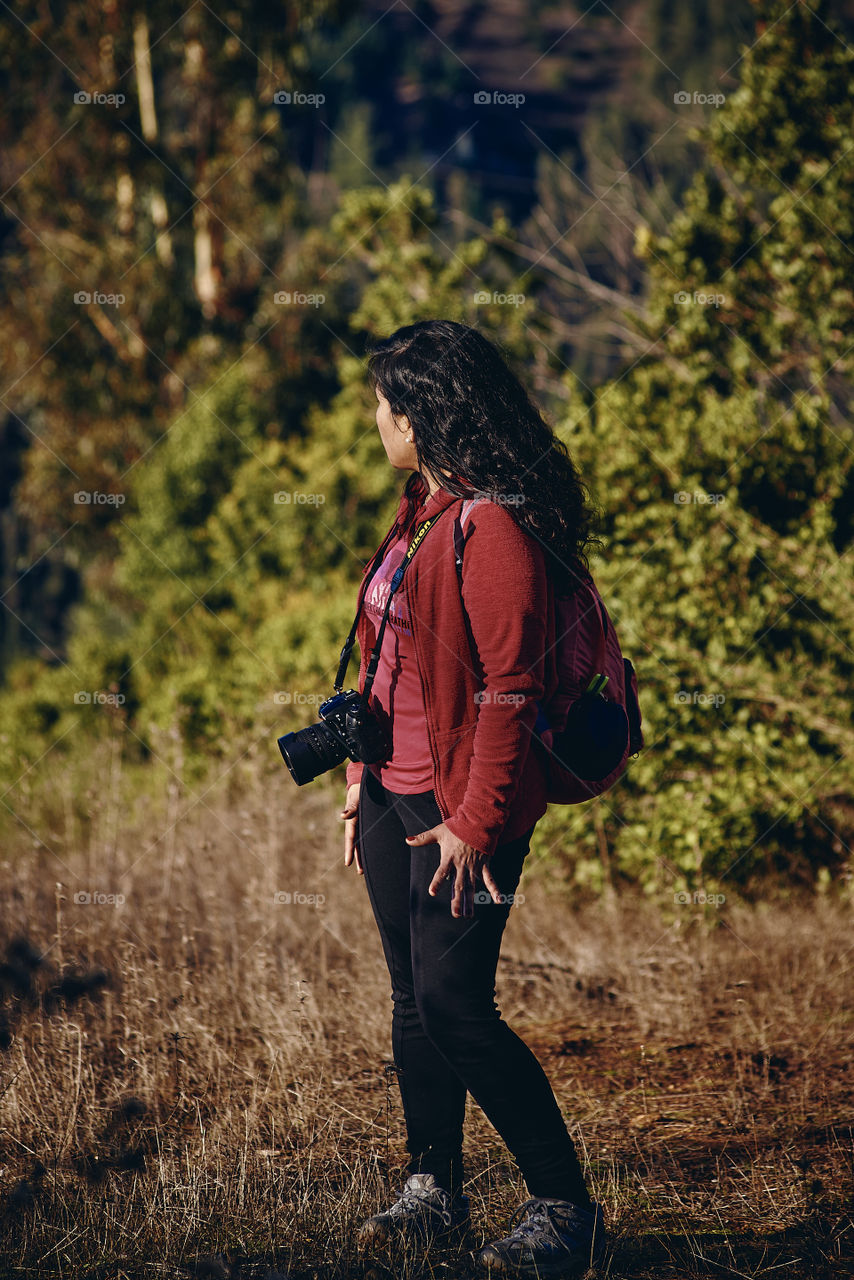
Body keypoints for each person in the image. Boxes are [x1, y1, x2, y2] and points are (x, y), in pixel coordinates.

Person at [340, 319, 606, 1277]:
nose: (375, 420)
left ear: (418, 416)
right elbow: (389, 658)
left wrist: (476, 823)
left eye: (383, 405)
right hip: (391, 794)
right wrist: (357, 775)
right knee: (414, 997)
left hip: (464, 808)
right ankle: (433, 1191)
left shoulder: (491, 527)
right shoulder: (421, 510)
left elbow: (509, 689)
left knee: (457, 1005)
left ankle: (565, 1208)